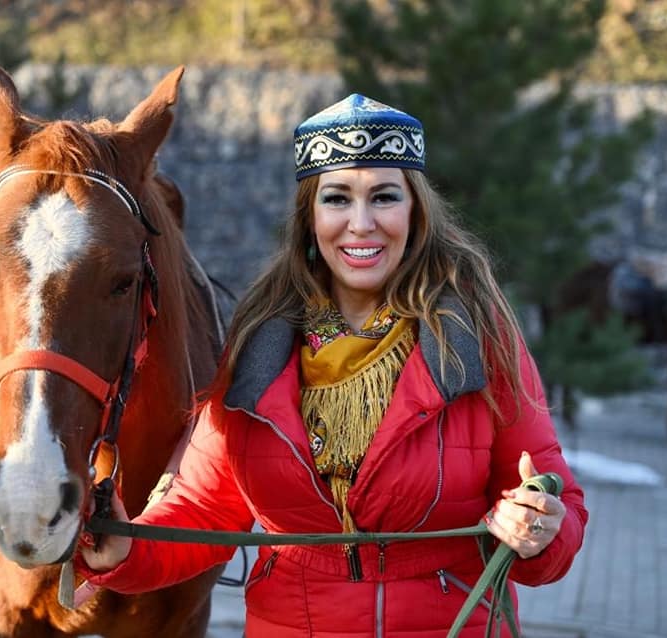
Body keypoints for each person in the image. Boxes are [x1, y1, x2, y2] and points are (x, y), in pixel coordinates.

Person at [78, 94, 588, 637]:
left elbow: (555, 501)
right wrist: (125, 552)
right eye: (338, 198)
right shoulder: (260, 342)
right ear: (311, 216)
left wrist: (540, 527)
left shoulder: (478, 336)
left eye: (384, 197)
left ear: (415, 212)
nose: (361, 224)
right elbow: (206, 510)